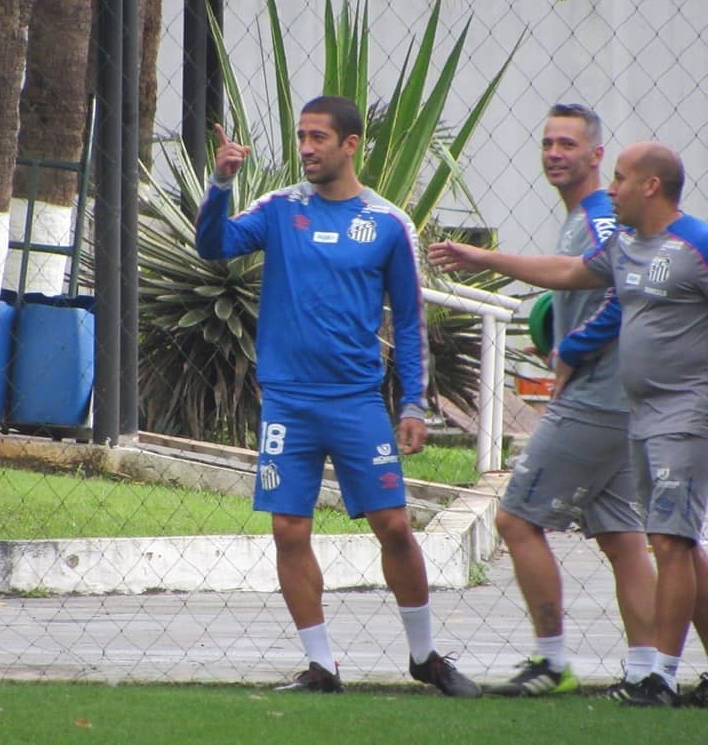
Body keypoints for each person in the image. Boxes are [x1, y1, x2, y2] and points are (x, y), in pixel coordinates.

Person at [195, 95, 480, 698]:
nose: (306, 149)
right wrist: (221, 183)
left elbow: (408, 319)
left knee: (395, 526)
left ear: (350, 144)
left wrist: (411, 404)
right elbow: (214, 246)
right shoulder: (278, 210)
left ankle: (424, 656)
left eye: (318, 137)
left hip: (355, 402)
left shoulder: (386, 222)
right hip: (287, 403)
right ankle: (321, 667)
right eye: (301, 136)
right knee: (289, 532)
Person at [429, 141, 708, 708]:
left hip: (687, 415)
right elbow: (567, 271)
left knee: (672, 541)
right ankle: (656, 673)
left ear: (651, 186)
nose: (612, 187)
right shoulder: (627, 245)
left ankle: (658, 678)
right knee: (670, 542)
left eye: (622, 178)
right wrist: (484, 260)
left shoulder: (696, 245)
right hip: (642, 415)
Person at [485, 105, 657, 699]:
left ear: (596, 156)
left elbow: (623, 288)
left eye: (568, 144)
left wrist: (571, 350)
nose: (554, 153)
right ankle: (646, 674)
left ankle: (551, 662)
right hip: (620, 402)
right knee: (621, 539)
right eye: (547, 142)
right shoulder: (582, 217)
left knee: (515, 519)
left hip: (597, 400)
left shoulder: (601, 217)